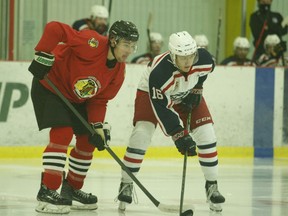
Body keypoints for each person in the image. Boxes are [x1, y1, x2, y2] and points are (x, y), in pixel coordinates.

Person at [28, 20, 139, 214]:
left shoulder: (118, 71)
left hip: (76, 98)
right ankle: (48, 189)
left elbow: (99, 100)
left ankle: (71, 188)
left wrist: (97, 127)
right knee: (63, 132)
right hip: (49, 86)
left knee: (89, 139)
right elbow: (55, 27)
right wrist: (43, 54)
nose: (130, 50)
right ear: (113, 40)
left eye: (133, 46)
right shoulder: (92, 42)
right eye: (126, 45)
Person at [117, 31, 225, 212]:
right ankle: (127, 183)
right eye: (182, 57)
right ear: (173, 56)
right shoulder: (159, 74)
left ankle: (212, 186)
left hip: (187, 90)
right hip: (151, 92)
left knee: (207, 134)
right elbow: (161, 108)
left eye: (191, 56)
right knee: (141, 134)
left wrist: (197, 88)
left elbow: (205, 72)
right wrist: (179, 134)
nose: (188, 61)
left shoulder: (204, 59)